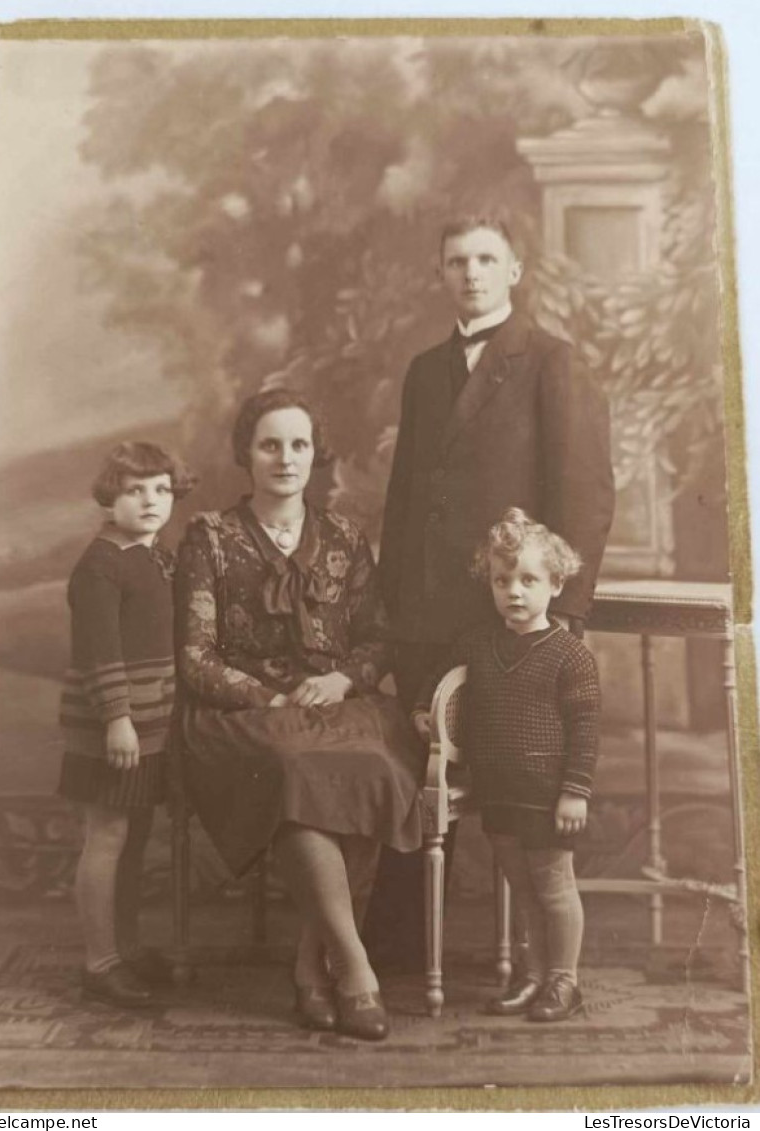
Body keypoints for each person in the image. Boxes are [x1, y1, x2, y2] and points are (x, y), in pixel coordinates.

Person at [364, 214, 615, 968]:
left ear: (514, 270)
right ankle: (401, 944)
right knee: (414, 770)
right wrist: (391, 605)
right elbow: (406, 497)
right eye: (455, 261)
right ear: (440, 274)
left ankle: (538, 962)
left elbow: (585, 494)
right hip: (426, 614)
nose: (469, 273)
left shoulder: (550, 361)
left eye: (485, 259)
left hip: (513, 617)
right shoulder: (422, 370)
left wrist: (563, 613)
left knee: (520, 789)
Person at [173, 387, 423, 1042]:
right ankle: (357, 965)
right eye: (270, 445)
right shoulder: (211, 538)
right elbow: (195, 656)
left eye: (299, 444)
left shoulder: (343, 535)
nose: (286, 459)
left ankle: (312, 963)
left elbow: (377, 637)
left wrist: (342, 677)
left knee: (370, 761)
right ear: (245, 454)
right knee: (295, 765)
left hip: (335, 704)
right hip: (244, 713)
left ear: (317, 453)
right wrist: (268, 697)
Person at [412, 508, 601, 1021]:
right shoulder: (476, 645)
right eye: (502, 580)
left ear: (556, 585)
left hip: (547, 793)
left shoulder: (569, 655)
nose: (514, 592)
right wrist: (426, 717)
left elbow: (586, 727)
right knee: (522, 888)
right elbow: (444, 691)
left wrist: (575, 791)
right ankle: (534, 975)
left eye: (528, 580)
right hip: (499, 792)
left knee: (554, 887)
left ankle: (565, 981)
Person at [58, 440, 196, 1007]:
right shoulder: (101, 565)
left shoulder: (151, 555)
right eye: (135, 490)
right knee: (108, 835)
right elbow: (100, 652)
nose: (150, 501)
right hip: (112, 729)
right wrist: (118, 719)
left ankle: (128, 947)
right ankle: (100, 961)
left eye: (161, 490)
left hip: (150, 725)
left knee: (135, 836)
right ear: (109, 497)